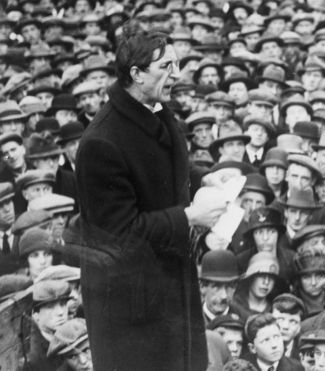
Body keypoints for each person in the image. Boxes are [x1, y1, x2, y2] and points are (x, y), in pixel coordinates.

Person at [74, 28, 227, 371]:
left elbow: (158, 175)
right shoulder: (102, 143)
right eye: (166, 66)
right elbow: (117, 235)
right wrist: (188, 217)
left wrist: (203, 178)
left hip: (167, 294)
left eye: (177, 63)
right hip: (131, 315)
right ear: (137, 74)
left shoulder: (154, 110)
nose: (178, 74)